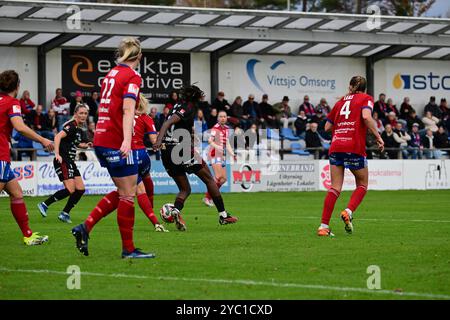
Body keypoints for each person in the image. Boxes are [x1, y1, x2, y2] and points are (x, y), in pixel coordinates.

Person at [71, 37, 154, 259]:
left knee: (123, 192)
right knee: (128, 195)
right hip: (116, 141)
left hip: (101, 139)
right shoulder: (133, 76)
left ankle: (85, 227)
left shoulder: (111, 74)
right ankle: (128, 249)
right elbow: (128, 110)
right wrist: (127, 140)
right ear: (139, 57)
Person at [154, 84, 238, 231]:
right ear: (194, 97)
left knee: (185, 189)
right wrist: (158, 140)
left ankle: (176, 211)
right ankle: (223, 216)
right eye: (200, 95)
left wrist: (189, 137)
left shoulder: (177, 105)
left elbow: (178, 124)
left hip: (167, 152)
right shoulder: (187, 108)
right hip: (180, 149)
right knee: (209, 179)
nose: (201, 98)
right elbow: (168, 122)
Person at [317, 75, 384, 237]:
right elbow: (366, 117)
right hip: (353, 145)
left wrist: (341, 127)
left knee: (335, 187)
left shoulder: (340, 102)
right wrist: (378, 136)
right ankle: (348, 211)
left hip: (336, 144)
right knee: (362, 184)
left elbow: (326, 126)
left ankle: (323, 227)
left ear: (350, 86)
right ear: (365, 88)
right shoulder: (366, 98)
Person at [0, 70, 53, 245]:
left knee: (16, 193)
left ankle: (28, 235)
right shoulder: (12, 102)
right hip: (0, 155)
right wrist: (42, 139)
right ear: (17, 86)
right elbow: (20, 127)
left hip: (4, 157)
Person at [37, 104, 91, 223]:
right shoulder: (71, 126)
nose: (83, 116)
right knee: (70, 189)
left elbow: (74, 143)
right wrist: (57, 154)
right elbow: (57, 137)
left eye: (85, 113)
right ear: (76, 113)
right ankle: (44, 204)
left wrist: (84, 145)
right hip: (63, 160)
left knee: (80, 189)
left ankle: (65, 213)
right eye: (81, 113)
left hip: (70, 161)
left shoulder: (78, 129)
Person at [132, 94, 167, 232]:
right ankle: (150, 206)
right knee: (147, 178)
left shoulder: (122, 116)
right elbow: (154, 140)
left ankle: (155, 221)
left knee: (137, 191)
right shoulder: (146, 118)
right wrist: (162, 145)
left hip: (129, 156)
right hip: (143, 155)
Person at [203, 110, 236, 207]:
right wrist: (217, 147)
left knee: (223, 179)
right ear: (218, 118)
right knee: (217, 177)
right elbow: (210, 141)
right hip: (214, 154)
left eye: (224, 116)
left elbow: (227, 143)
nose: (223, 118)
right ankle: (207, 197)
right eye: (221, 116)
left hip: (221, 155)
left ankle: (210, 196)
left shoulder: (226, 128)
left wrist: (233, 154)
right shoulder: (215, 128)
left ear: (226, 118)